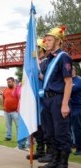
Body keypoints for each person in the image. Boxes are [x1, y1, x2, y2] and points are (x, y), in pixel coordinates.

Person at [38, 26, 72, 168]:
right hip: (48, 99)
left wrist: (65, 104)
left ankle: (62, 163)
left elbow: (68, 82)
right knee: (50, 131)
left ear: (58, 41)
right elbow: (48, 79)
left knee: (61, 132)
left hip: (58, 99)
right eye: (45, 40)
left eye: (49, 39)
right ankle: (54, 160)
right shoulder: (50, 59)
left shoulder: (63, 57)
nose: (46, 42)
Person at [26, 38, 54, 162]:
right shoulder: (35, 63)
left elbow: (48, 79)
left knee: (46, 127)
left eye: (36, 48)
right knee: (37, 127)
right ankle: (40, 149)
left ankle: (49, 152)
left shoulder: (47, 62)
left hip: (44, 98)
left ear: (40, 49)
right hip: (35, 98)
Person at [2, 77, 19, 142]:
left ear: (13, 82)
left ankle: (19, 138)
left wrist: (18, 108)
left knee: (18, 126)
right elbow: (3, 98)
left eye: (9, 82)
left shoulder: (17, 90)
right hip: (6, 111)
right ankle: (8, 137)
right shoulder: (5, 90)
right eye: (7, 82)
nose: (8, 83)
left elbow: (20, 99)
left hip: (15, 111)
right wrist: (3, 106)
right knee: (8, 125)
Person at [70, 67, 81, 155]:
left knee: (77, 129)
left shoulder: (78, 81)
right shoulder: (69, 80)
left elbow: (71, 89)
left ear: (74, 71)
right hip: (71, 107)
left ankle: (79, 148)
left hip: (77, 107)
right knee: (69, 129)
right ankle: (71, 145)